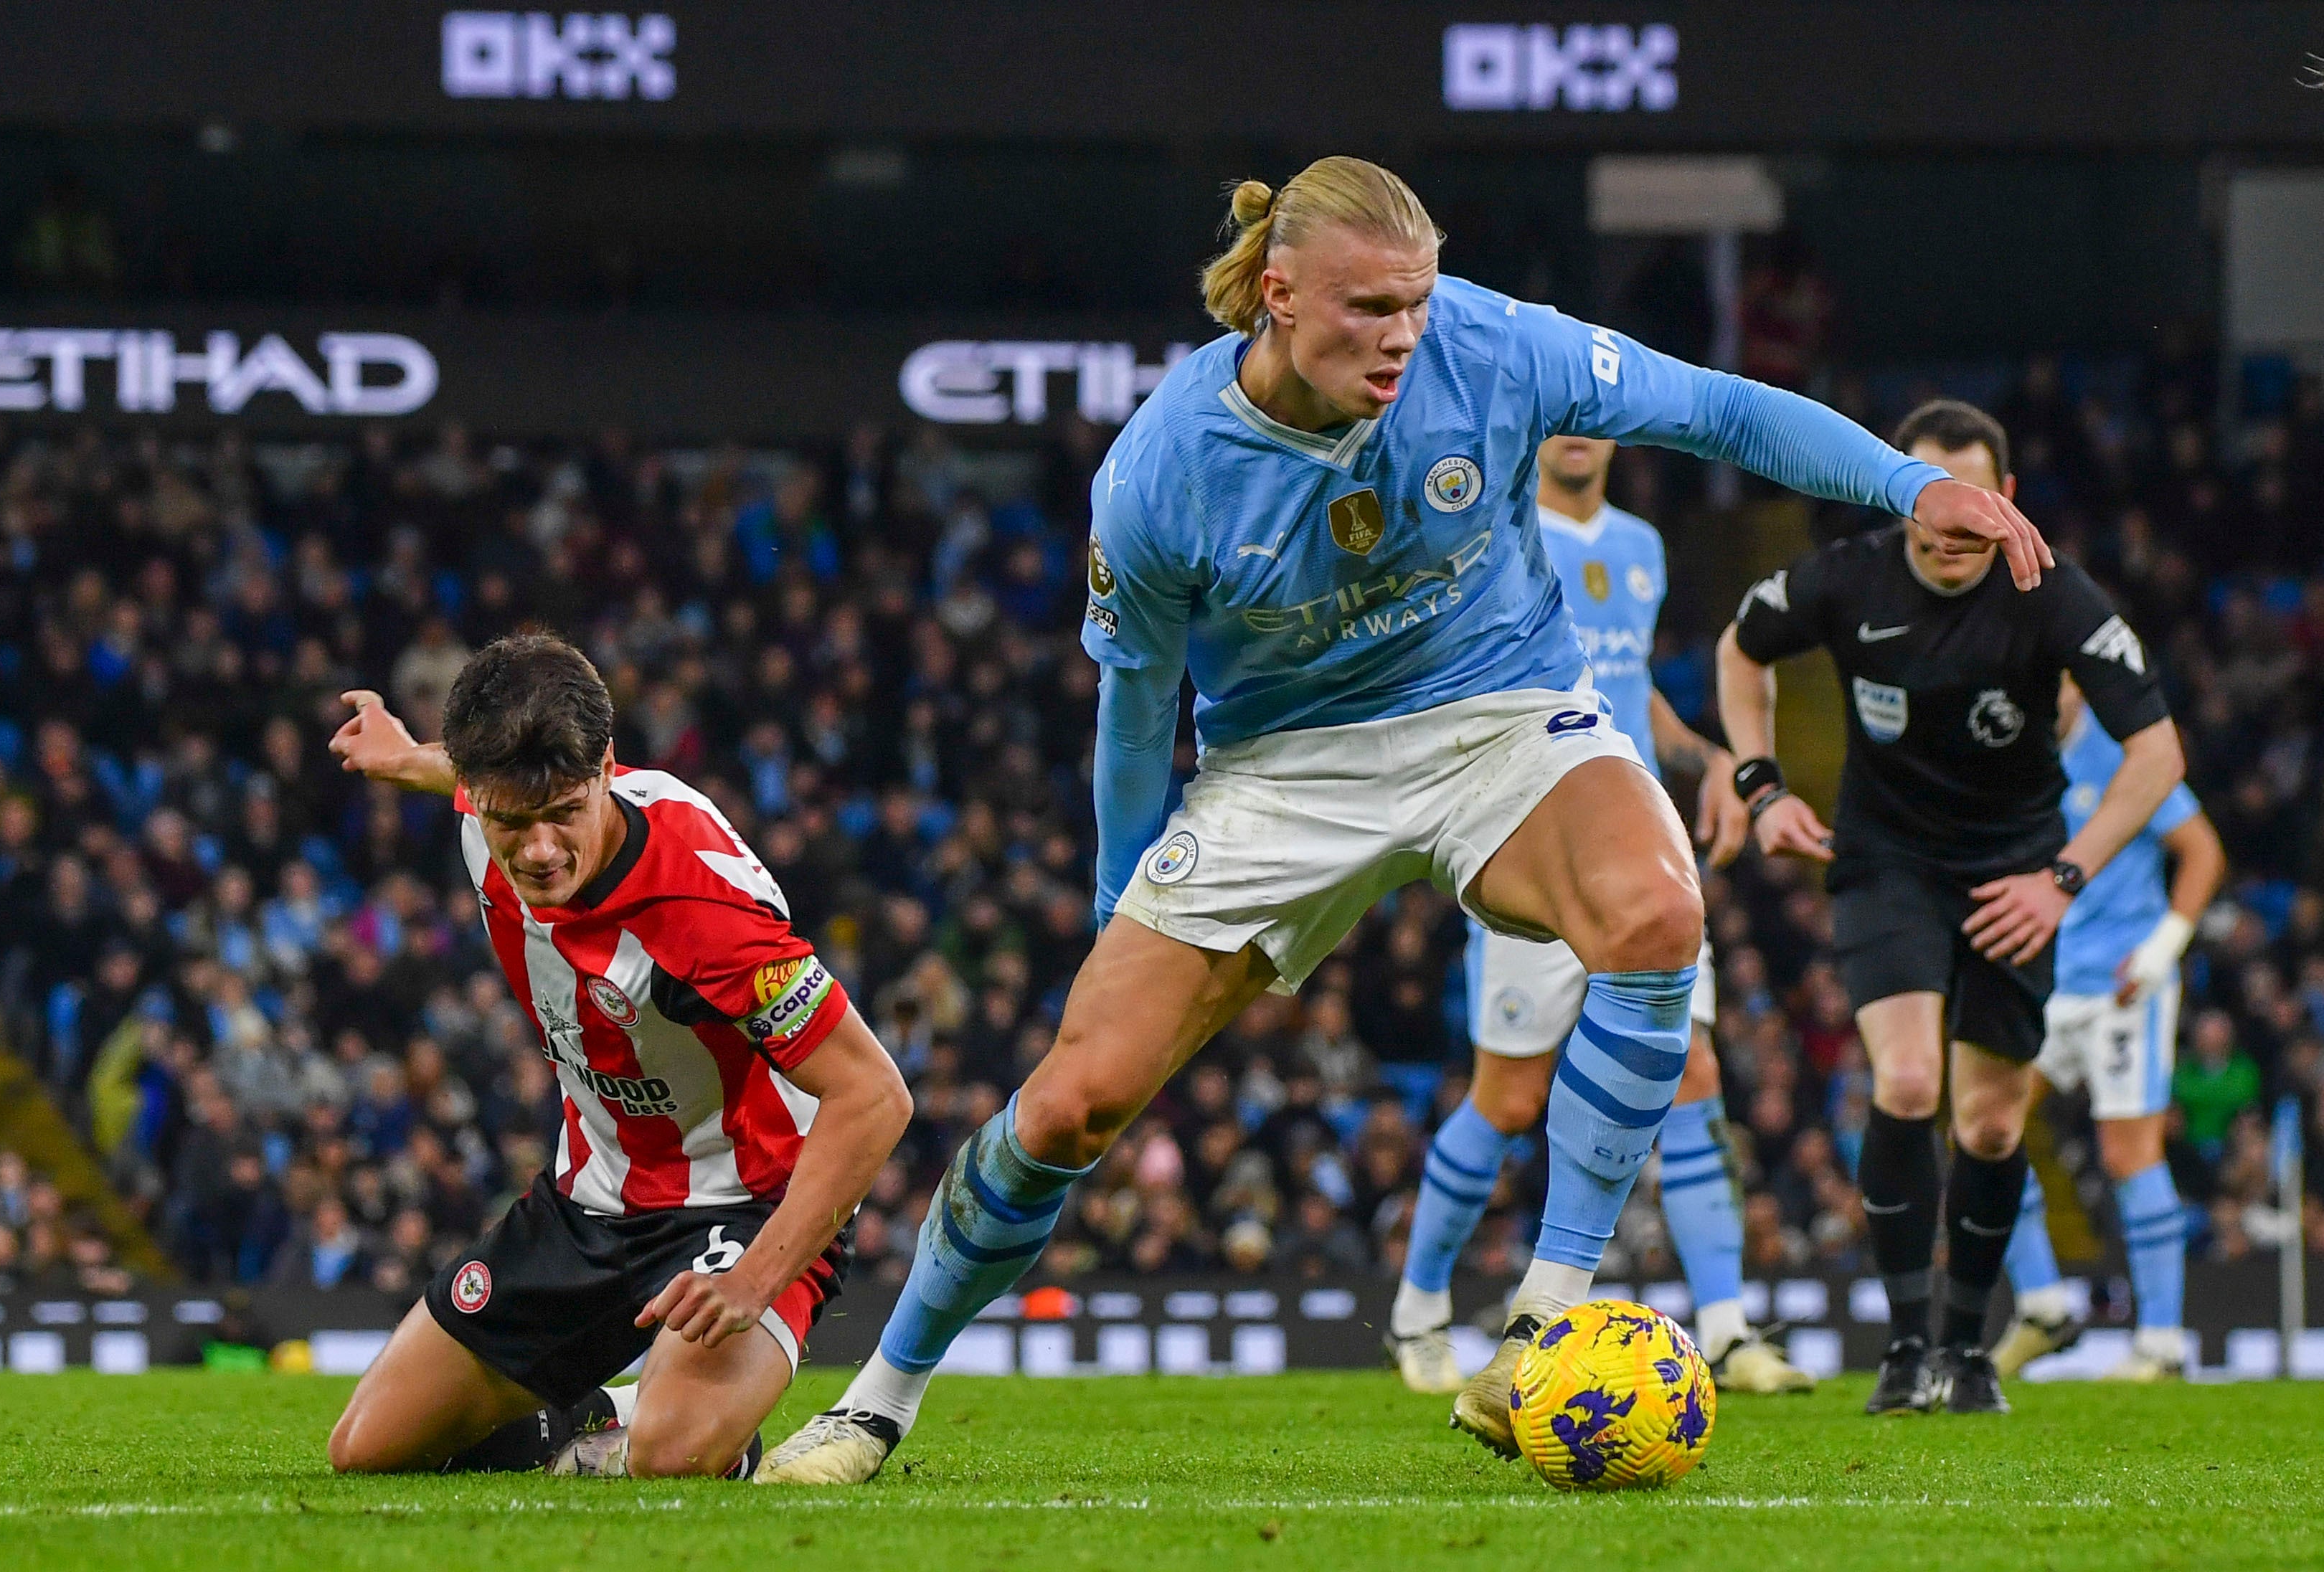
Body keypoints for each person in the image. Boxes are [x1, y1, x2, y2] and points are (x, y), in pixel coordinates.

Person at [761, 158, 2046, 1484]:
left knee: (1657, 909)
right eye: (1368, 308)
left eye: (1415, 304)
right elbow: (1138, 711)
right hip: (1281, 767)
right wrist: (1112, 908)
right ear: (1274, 296)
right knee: (1069, 1108)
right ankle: (877, 1399)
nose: (1400, 337)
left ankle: (1541, 1319)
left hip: (1496, 708)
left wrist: (1904, 485)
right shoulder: (1162, 473)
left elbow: (1712, 407)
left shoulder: (1491, 344)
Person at [320, 633, 910, 1479]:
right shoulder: (494, 797)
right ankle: (593, 1413)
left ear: (604, 768)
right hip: (588, 1198)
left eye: (564, 813)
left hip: (743, 1202)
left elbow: (875, 1096)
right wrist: (406, 756)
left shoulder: (703, 909)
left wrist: (754, 1278)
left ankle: (684, 1419)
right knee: (369, 1448)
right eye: (509, 821)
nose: (539, 850)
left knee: (671, 1454)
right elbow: (470, 776)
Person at [1717, 399, 2183, 1416]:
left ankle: (1967, 1354)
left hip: (2012, 875)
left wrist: (2061, 879)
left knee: (1983, 1125)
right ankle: (1902, 1343)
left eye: (1972, 509)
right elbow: (1739, 649)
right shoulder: (1845, 575)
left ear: (2004, 500)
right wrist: (1760, 785)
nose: (1947, 531)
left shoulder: (2052, 593)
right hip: (1885, 862)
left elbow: (2155, 756)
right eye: (1931, 505)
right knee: (1906, 1081)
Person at [1386, 433, 1815, 1431]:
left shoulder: (1641, 546)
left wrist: (1701, 754)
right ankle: (1416, 1313)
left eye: (1593, 417)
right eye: (1557, 418)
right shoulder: (1490, 530)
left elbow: (1629, 685)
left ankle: (1725, 1329)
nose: (1577, 433)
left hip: (1636, 846)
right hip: (1530, 834)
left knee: (1694, 1074)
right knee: (1504, 1099)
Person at [1993, 681, 2223, 1382]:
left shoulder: (2126, 750)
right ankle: (2040, 1307)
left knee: (2127, 1153)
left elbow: (2201, 850)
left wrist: (2160, 951)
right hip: (2052, 980)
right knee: (1983, 1125)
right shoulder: (2018, 751)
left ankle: (2159, 1344)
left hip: (2125, 984)